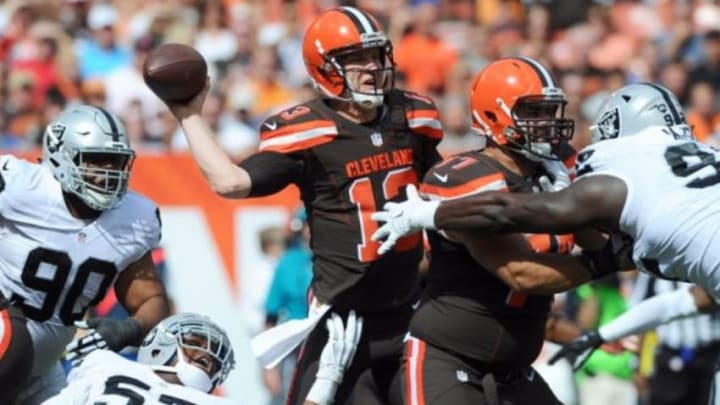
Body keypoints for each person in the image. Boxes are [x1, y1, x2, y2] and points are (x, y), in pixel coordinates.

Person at [158, 6, 443, 405]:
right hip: (344, 322)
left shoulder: (413, 114)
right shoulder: (306, 130)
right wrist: (188, 116)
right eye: (354, 59)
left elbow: (444, 196)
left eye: (375, 54)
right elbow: (230, 182)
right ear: (323, 69)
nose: (371, 67)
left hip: (412, 314)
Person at [370, 82, 720, 373]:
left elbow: (505, 212)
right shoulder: (704, 157)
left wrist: (427, 215)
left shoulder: (619, 180)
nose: (548, 125)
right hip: (457, 350)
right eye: (533, 113)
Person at [394, 56, 601, 405]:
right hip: (448, 362)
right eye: (534, 112)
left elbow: (596, 237)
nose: (547, 123)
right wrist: (607, 263)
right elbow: (522, 273)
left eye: (550, 111)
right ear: (493, 116)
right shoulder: (465, 176)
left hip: (515, 374)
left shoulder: (557, 168)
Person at [0, 104, 170, 404]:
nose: (108, 173)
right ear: (60, 155)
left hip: (43, 372)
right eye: (97, 161)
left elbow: (149, 301)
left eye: (116, 163)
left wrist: (130, 327)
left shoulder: (135, 218)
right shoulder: (20, 186)